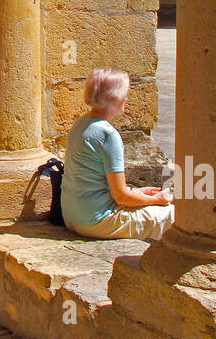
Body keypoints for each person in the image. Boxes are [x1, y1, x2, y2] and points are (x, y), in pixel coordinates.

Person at [59, 67, 174, 240]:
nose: (126, 98)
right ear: (114, 98)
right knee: (175, 215)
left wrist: (140, 193)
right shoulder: (107, 134)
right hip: (97, 221)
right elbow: (120, 196)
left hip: (71, 217)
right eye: (124, 94)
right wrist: (158, 199)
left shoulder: (81, 124)